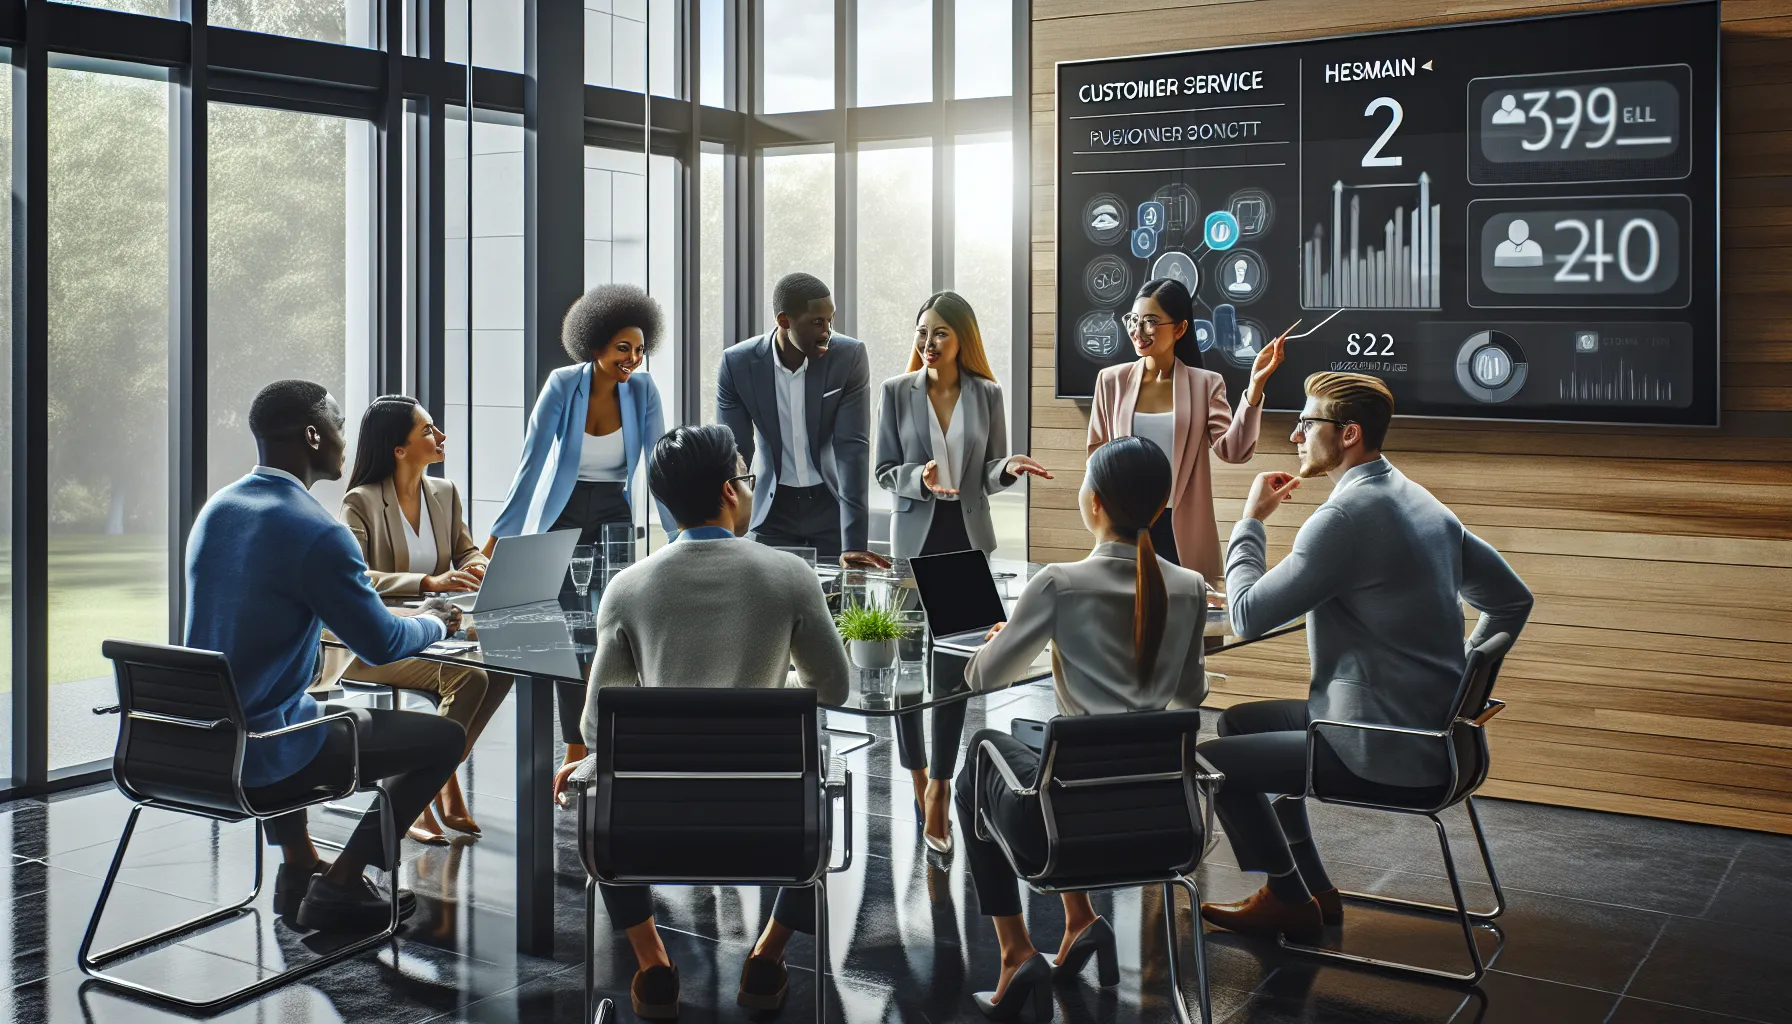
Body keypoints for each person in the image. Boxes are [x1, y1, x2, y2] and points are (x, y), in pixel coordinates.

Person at [1196, 373, 1533, 942]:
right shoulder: (1414, 496)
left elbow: (1248, 615)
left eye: (1308, 423)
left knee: (1214, 763)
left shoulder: (1344, 519)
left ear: (1348, 433)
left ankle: (1285, 897)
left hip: (1386, 743)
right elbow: (1511, 601)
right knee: (1239, 723)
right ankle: (1310, 888)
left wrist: (1251, 520)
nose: (1296, 434)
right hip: (1437, 734)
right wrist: (1459, 686)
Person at [557, 424, 850, 1020]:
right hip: (775, 828)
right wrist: (777, 693)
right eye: (745, 476)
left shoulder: (627, 587)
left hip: (647, 830)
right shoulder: (790, 575)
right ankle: (766, 958)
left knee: (598, 791)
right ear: (729, 490)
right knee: (823, 779)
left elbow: (596, 726)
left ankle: (652, 965)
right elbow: (834, 687)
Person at [185, 379, 464, 932]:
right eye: (338, 427)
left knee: (286, 703)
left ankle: (300, 864)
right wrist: (439, 619)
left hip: (194, 745)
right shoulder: (317, 531)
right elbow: (382, 642)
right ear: (313, 435)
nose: (345, 441)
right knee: (444, 739)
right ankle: (341, 881)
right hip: (264, 752)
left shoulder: (218, 509)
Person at [952, 436, 1210, 1020]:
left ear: (1092, 503)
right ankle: (1079, 920)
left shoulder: (1059, 583)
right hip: (1164, 823)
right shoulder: (1191, 587)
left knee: (984, 754)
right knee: (1036, 736)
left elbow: (982, 680)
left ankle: (1016, 950)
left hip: (1068, 829)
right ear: (1160, 508)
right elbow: (1192, 695)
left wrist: (1001, 640)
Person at [483, 282, 676, 802]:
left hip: (613, 511)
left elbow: (660, 469)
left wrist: (684, 538)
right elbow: (531, 465)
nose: (633, 359)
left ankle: (608, 747)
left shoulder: (643, 392)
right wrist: (498, 539)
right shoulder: (562, 385)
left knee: (612, 632)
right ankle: (573, 753)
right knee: (568, 639)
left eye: (639, 349)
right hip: (563, 511)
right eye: (622, 348)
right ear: (594, 345)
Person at [875, 291, 1052, 855]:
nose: (928, 344)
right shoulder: (895, 393)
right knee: (907, 675)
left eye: (940, 334)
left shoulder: (987, 394)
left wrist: (1010, 468)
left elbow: (993, 469)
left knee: (953, 679)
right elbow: (882, 471)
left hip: (966, 546)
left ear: (962, 339)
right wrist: (917, 478)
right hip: (912, 547)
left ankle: (940, 790)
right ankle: (916, 775)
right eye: (922, 332)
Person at [330, 395, 513, 844]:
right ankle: (413, 792)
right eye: (429, 430)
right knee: (467, 679)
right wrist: (429, 585)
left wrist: (476, 565)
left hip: (433, 630)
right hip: (368, 642)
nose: (441, 436)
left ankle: (433, 777)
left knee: (504, 664)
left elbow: (465, 549)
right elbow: (358, 579)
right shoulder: (361, 502)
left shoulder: (444, 493)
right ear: (399, 448)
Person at [1086, 277, 1285, 579]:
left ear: (1180, 328)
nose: (1138, 332)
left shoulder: (1205, 383)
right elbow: (1097, 456)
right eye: (1134, 320)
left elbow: (1234, 451)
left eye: (1151, 322)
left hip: (1182, 527)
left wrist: (1255, 388)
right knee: (1125, 619)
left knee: (1190, 619)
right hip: (1124, 527)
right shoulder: (1110, 381)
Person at [717, 272, 890, 570]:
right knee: (770, 607)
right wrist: (726, 532)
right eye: (817, 322)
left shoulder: (848, 357)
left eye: (831, 320)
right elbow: (735, 455)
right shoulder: (738, 364)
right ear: (784, 320)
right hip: (771, 510)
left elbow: (853, 450)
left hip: (829, 505)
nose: (828, 332)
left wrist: (854, 544)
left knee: (835, 609)